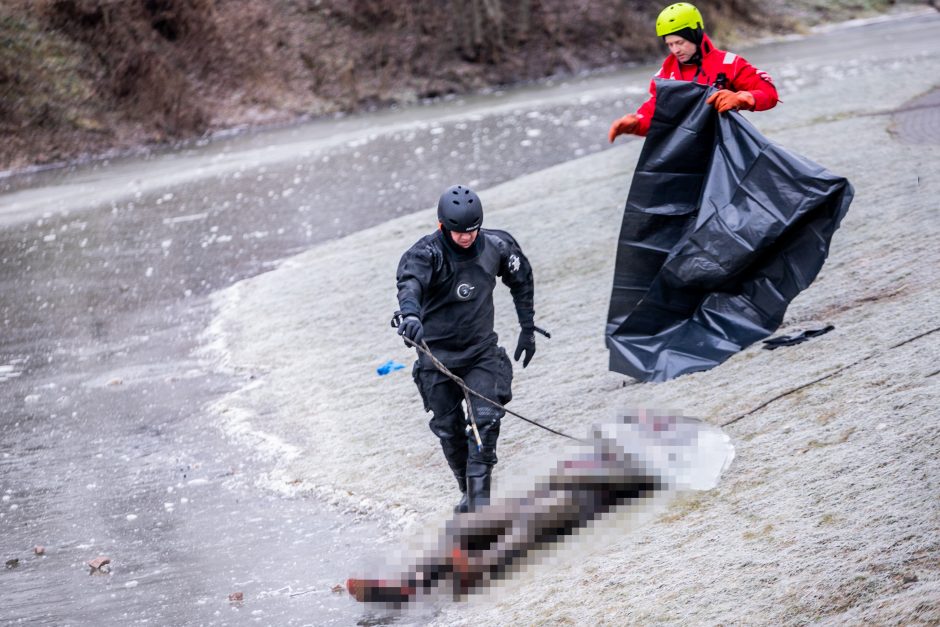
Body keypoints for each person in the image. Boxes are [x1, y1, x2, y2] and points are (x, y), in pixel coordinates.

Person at [394, 184, 537, 514]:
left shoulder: (498, 245)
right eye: (458, 232)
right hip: (436, 356)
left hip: (481, 352)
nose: (466, 238)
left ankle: (479, 501)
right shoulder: (425, 254)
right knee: (449, 430)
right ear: (443, 225)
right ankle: (467, 490)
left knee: (487, 420)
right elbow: (409, 286)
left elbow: (522, 279)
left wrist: (527, 328)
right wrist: (410, 317)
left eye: (472, 230)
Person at [608, 2, 778, 142]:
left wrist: (743, 98)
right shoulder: (664, 77)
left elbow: (769, 94)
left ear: (695, 34)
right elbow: (656, 115)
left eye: (680, 42)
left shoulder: (729, 63)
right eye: (670, 44)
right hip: (688, 155)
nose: (675, 50)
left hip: (726, 147)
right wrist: (635, 123)